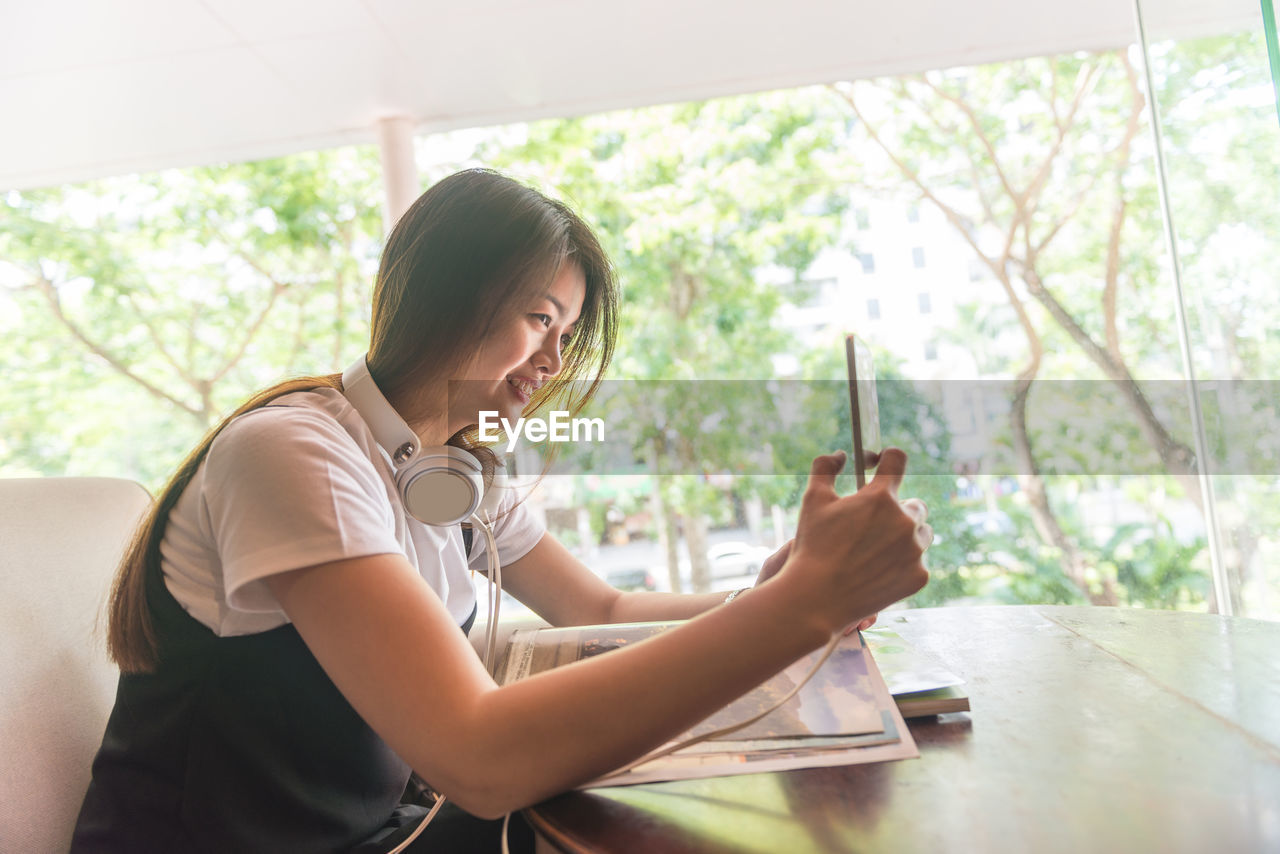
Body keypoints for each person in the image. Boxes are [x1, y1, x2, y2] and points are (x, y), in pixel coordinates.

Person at [71, 168, 931, 853]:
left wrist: (781, 590)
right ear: (445, 295)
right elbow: (477, 756)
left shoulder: (461, 467)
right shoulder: (296, 452)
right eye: (539, 318)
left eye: (568, 334)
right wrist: (796, 610)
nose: (555, 358)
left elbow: (602, 610)